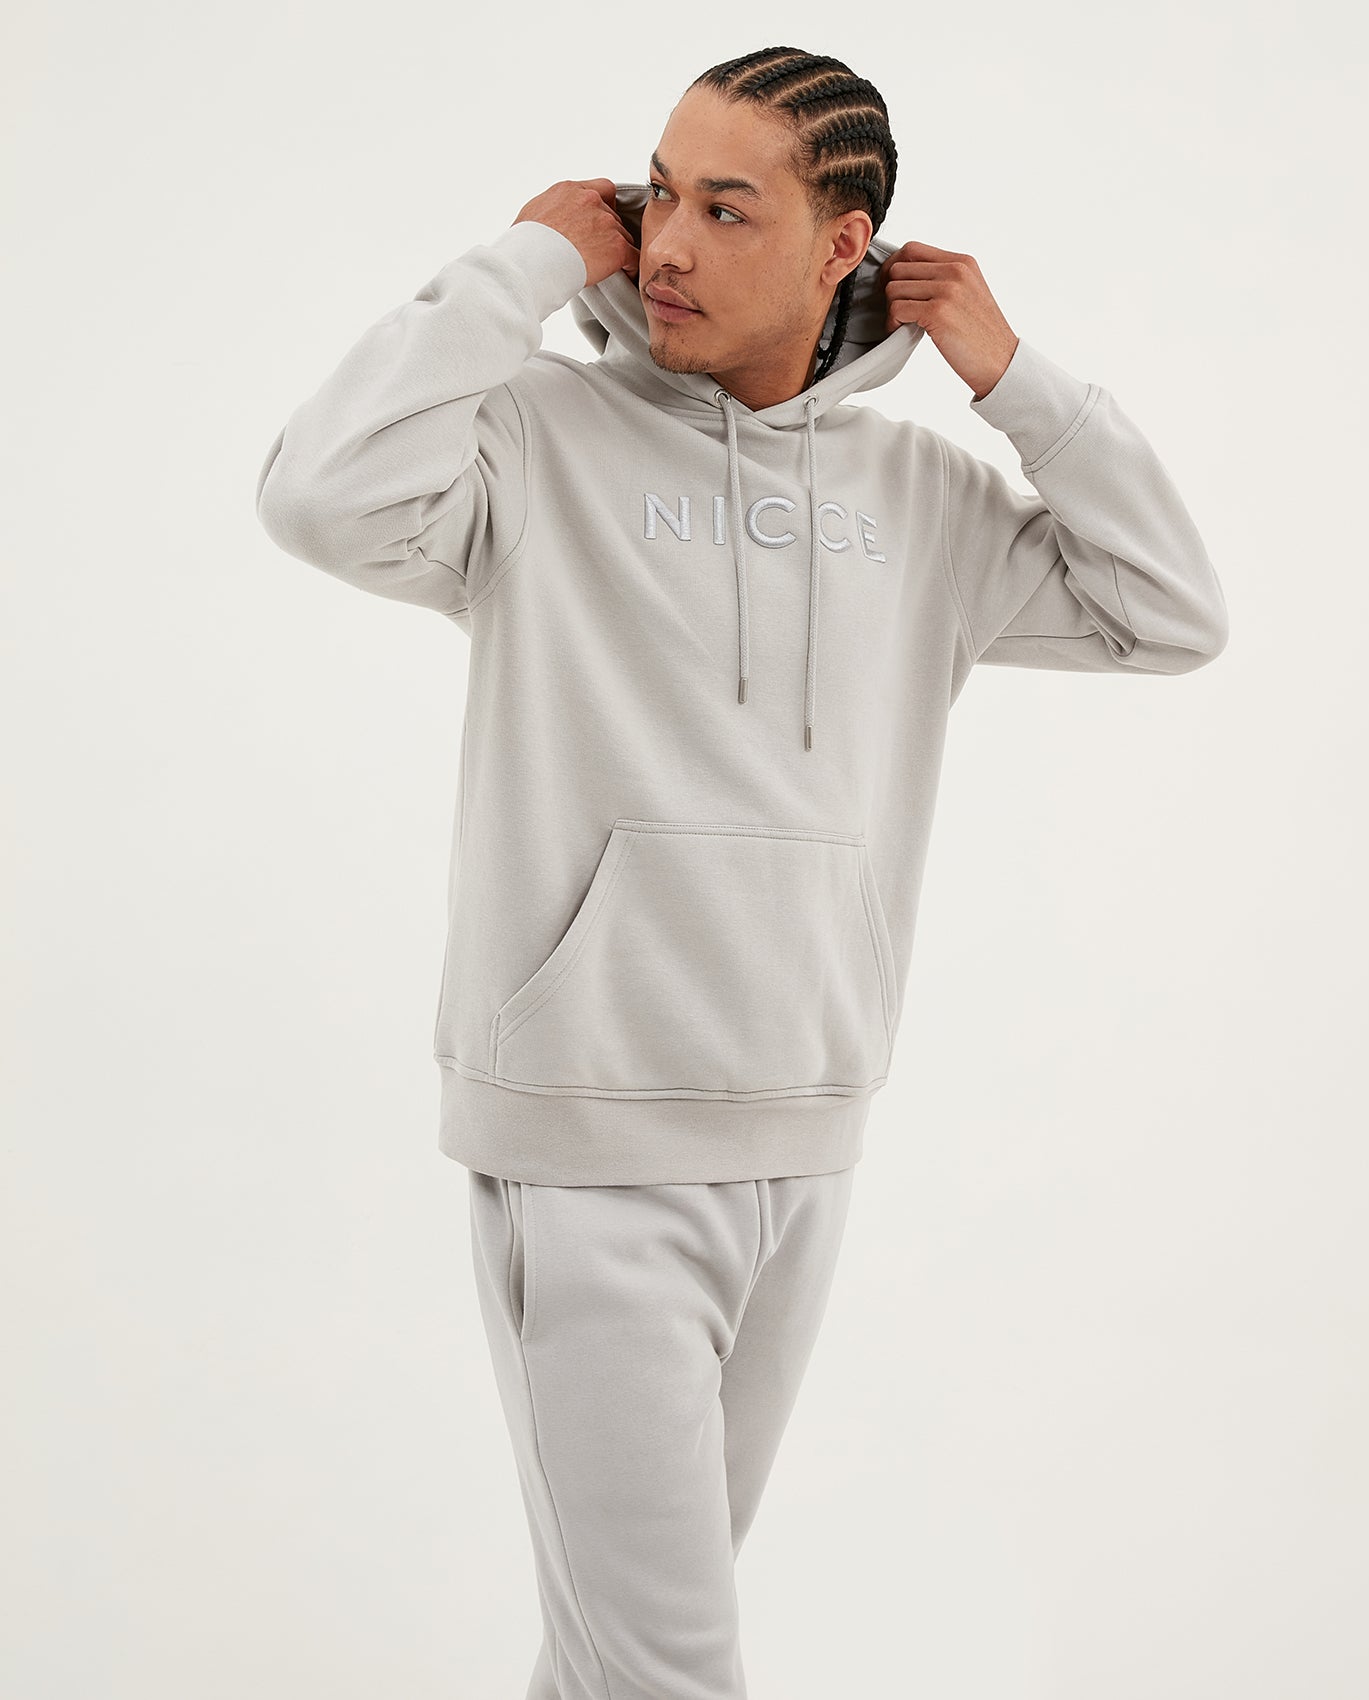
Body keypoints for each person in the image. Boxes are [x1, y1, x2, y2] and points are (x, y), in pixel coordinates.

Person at [254, 44, 1228, 1700]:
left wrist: (1019, 382)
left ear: (846, 245)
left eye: (726, 208)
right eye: (655, 196)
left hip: (805, 1144)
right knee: (665, 1671)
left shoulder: (922, 495)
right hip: (592, 1150)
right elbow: (315, 495)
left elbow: (1171, 612)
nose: (668, 246)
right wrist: (520, 266)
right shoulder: (532, 440)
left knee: (620, 1666)